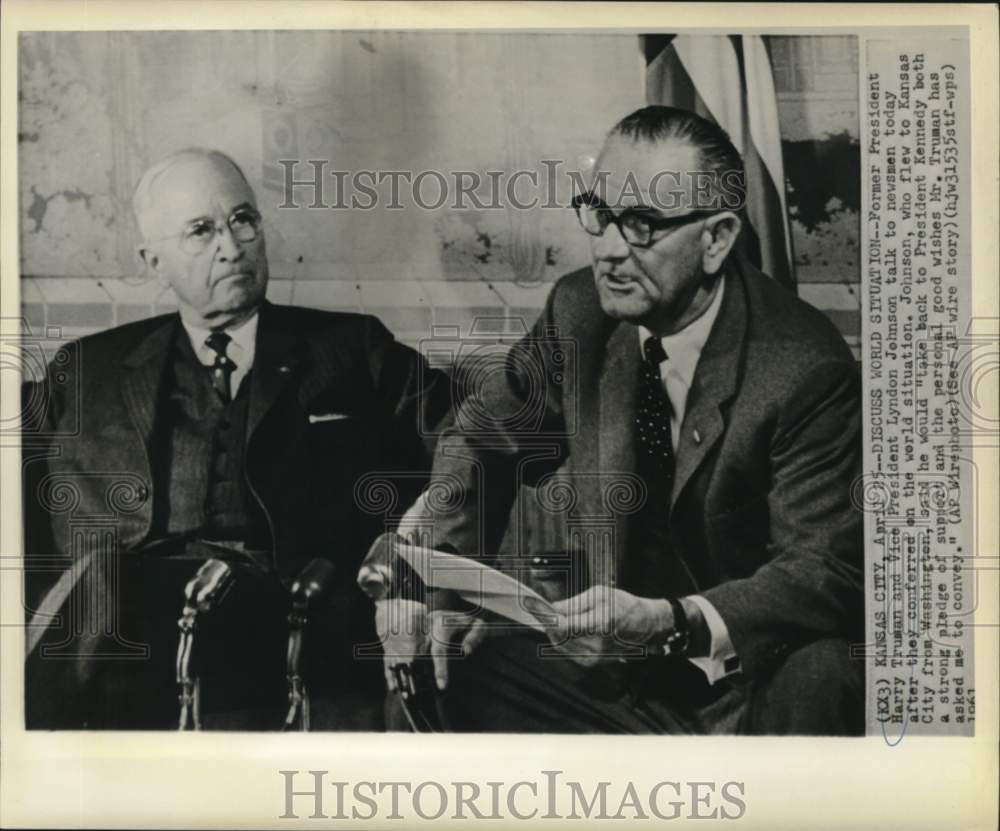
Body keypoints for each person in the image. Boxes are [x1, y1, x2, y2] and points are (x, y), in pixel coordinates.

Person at [378, 106, 865, 735]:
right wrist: (442, 589)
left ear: (716, 239)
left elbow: (823, 571)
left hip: (744, 681)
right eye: (599, 214)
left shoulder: (803, 366)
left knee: (824, 674)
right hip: (613, 672)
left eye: (640, 224)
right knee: (442, 673)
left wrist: (672, 620)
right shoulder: (581, 309)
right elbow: (482, 439)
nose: (607, 248)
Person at [22, 148, 451, 730]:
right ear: (155, 262)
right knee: (101, 582)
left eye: (242, 220)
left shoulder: (353, 351)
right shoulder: (86, 371)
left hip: (293, 615)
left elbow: (468, 446)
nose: (232, 245)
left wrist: (412, 557)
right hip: (123, 631)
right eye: (201, 231)